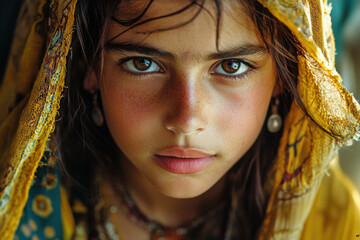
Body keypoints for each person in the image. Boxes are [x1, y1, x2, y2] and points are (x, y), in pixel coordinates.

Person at [0, 0, 359, 239]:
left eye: (231, 67)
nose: (187, 119)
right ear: (87, 66)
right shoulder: (27, 213)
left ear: (283, 79)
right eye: (143, 64)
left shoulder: (334, 223)